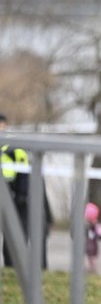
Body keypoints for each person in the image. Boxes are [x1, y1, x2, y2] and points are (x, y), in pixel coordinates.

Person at [1, 114, 53, 269]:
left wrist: (21, 196)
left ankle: (20, 267)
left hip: (17, 198)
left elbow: (24, 173)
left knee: (19, 236)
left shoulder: (13, 148)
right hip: (9, 196)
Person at [84, 202, 100, 274]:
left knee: (93, 261)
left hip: (93, 248)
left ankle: (93, 271)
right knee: (89, 261)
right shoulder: (86, 226)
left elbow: (98, 234)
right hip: (88, 248)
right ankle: (89, 270)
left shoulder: (95, 226)